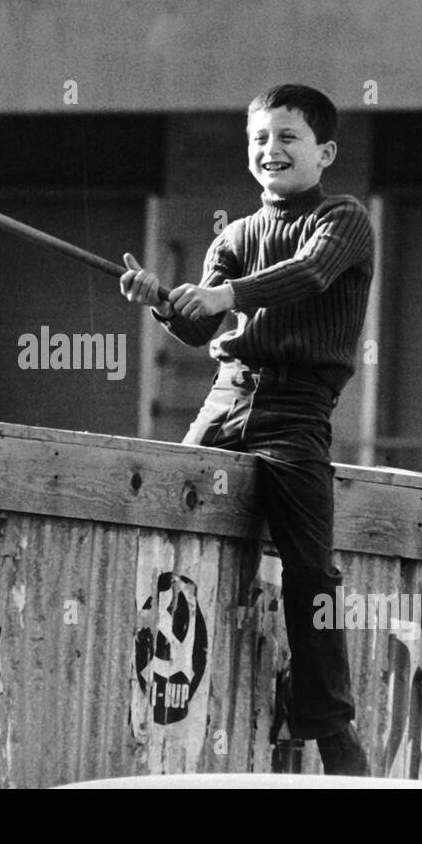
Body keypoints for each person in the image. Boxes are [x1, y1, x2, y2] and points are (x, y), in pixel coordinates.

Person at [120, 83, 373, 776]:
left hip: (297, 412)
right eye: (260, 139)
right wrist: (161, 303)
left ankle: (331, 727)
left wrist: (226, 295)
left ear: (324, 152)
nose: (271, 151)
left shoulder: (345, 220)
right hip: (226, 400)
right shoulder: (232, 236)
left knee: (311, 570)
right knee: (151, 515)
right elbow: (201, 325)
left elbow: (313, 274)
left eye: (287, 138)